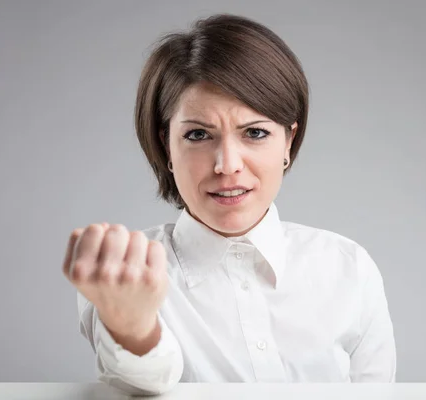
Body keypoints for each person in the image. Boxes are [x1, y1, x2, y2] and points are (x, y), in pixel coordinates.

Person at [62, 13, 396, 396]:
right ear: (166, 146)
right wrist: (134, 327)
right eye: (199, 134)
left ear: (288, 141)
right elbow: (141, 385)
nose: (227, 165)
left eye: (255, 132)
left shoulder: (348, 267)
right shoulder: (124, 273)